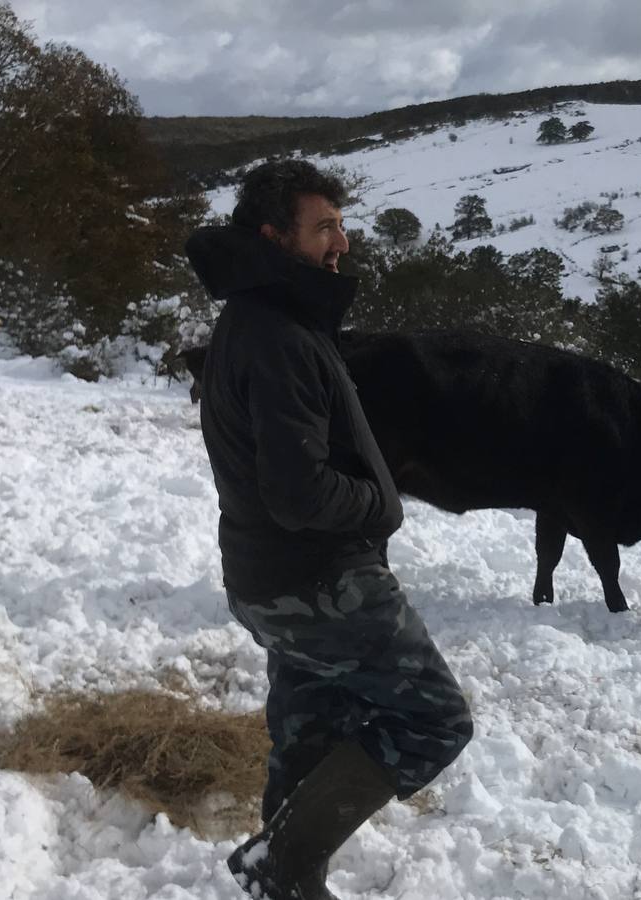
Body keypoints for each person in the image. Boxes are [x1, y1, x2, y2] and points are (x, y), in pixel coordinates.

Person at [186, 159, 472, 900]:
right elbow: (297, 491)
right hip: (321, 580)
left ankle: (287, 881)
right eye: (323, 228)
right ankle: (278, 862)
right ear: (274, 236)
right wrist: (380, 506)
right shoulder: (276, 334)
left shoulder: (263, 320)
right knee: (433, 719)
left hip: (271, 580)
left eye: (341, 225)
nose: (339, 242)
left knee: (310, 733)